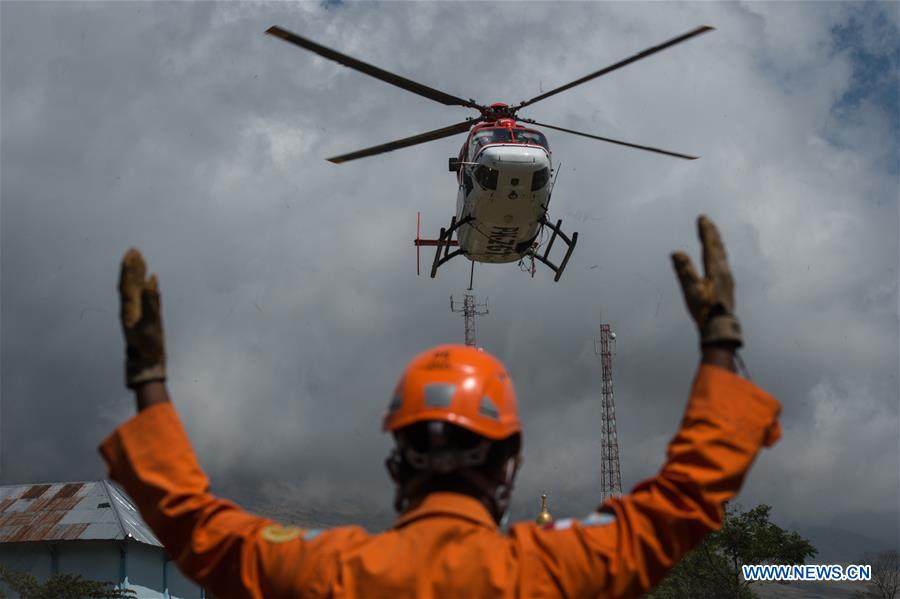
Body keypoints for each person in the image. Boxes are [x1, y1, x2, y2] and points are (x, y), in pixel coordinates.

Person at [101, 215, 781, 598]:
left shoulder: (326, 572)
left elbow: (192, 524)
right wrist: (720, 339)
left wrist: (149, 376)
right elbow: (686, 497)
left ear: (397, 463)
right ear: (509, 464)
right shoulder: (553, 572)